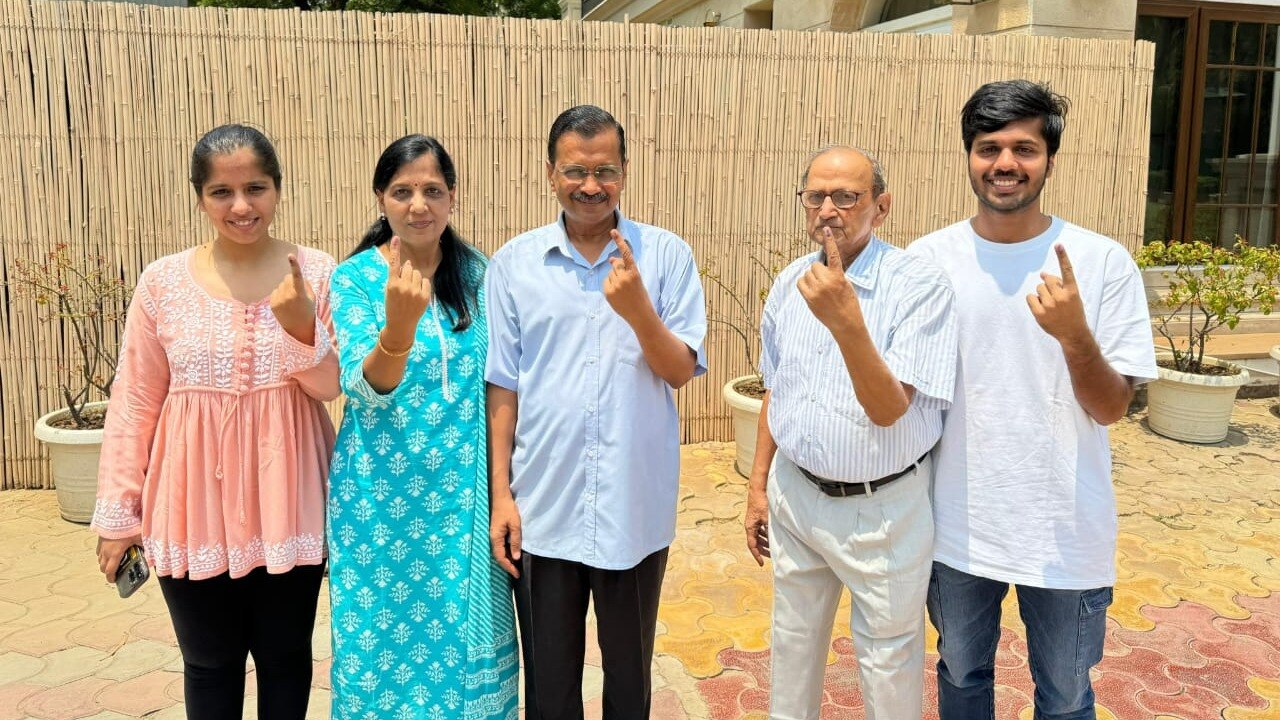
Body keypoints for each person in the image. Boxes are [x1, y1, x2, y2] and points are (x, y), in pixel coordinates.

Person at [905, 80, 1158, 720]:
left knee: (1066, 697)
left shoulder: (1101, 262)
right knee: (962, 675)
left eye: (1025, 147)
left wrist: (1075, 335)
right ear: (968, 156)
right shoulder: (927, 261)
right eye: (989, 148)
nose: (1006, 164)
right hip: (958, 523)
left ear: (1049, 157)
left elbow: (1110, 409)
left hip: (1065, 526)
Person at [92, 124, 339, 720]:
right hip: (189, 503)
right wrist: (119, 516)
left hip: (291, 500)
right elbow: (135, 401)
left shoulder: (319, 272)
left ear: (278, 189)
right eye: (222, 192)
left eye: (256, 187)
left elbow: (333, 387)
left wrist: (302, 324)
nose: (242, 206)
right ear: (200, 197)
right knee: (208, 664)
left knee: (285, 659)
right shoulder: (163, 283)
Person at [485, 104, 708, 720]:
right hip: (543, 507)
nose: (590, 186)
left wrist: (638, 309)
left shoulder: (665, 256)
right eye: (575, 171)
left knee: (629, 678)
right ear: (550, 173)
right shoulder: (514, 263)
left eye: (605, 170)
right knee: (549, 685)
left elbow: (680, 370)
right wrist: (501, 495)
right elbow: (503, 388)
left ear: (625, 171)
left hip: (632, 507)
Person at [742, 146, 958, 720]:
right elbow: (776, 389)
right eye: (816, 196)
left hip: (882, 510)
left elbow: (890, 409)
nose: (828, 210)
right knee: (791, 642)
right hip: (796, 496)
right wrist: (759, 487)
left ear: (880, 207)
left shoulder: (918, 286)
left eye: (847, 196)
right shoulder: (790, 281)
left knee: (887, 660)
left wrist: (847, 322)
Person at [326, 134, 518, 720]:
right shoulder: (356, 279)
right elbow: (363, 388)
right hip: (378, 507)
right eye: (403, 191)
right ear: (381, 199)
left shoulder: (482, 274)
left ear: (452, 198)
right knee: (376, 651)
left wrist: (503, 491)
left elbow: (501, 384)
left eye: (433, 190)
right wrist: (399, 331)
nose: (419, 205)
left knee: (467, 651)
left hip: (463, 503)